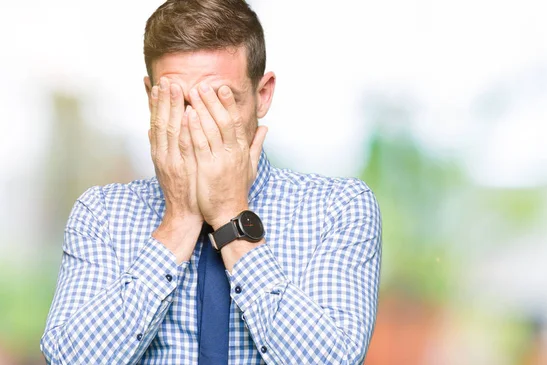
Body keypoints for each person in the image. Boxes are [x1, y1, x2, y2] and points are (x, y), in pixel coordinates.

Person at [40, 0, 382, 363]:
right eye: (180, 103)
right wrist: (180, 221)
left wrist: (231, 215)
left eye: (221, 102)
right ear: (150, 97)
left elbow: (333, 360)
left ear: (262, 94)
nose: (199, 125)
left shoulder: (339, 207)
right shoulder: (102, 214)